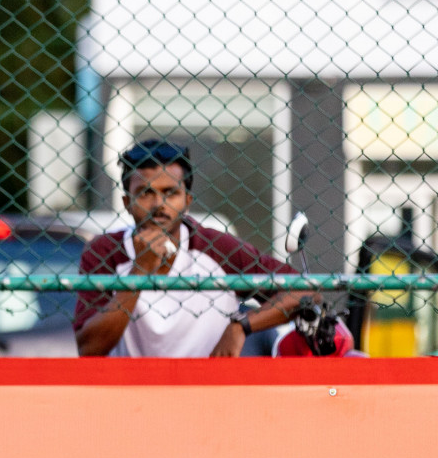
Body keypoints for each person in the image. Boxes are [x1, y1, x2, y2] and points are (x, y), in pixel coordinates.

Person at [73, 139, 306, 357]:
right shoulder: (104, 251)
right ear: (127, 203)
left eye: (170, 193)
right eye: (145, 193)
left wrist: (241, 325)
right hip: (132, 388)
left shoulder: (215, 246)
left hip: (205, 388)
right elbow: (90, 348)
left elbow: (304, 292)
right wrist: (139, 271)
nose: (158, 205)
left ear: (187, 201)